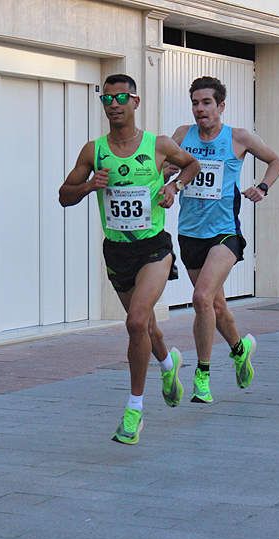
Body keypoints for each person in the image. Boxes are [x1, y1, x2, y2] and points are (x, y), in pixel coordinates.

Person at [59, 74, 199, 445]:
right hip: (117, 249)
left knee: (136, 321)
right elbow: (64, 195)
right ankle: (169, 364)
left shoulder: (158, 145)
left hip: (154, 247)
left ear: (135, 102)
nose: (114, 105)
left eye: (121, 98)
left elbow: (191, 165)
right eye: (107, 99)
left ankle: (134, 409)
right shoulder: (94, 151)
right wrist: (90, 185)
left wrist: (173, 187)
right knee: (146, 328)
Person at [166, 76, 279, 404]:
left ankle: (202, 376)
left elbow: (277, 160)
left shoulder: (239, 137)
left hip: (224, 232)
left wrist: (262, 187)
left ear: (221, 106)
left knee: (202, 298)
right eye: (195, 103)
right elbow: (165, 168)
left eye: (206, 103)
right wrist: (166, 180)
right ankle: (240, 349)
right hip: (190, 232)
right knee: (216, 305)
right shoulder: (181, 135)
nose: (200, 109)